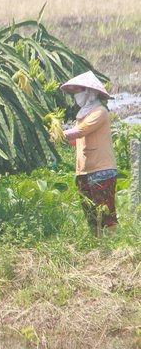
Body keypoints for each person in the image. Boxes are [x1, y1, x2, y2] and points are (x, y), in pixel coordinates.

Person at [60, 71, 118, 237]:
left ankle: (112, 247)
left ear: (89, 92)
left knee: (105, 213)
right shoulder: (82, 116)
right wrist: (57, 137)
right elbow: (75, 139)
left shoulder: (99, 112)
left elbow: (81, 132)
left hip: (101, 170)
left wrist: (60, 134)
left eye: (78, 91)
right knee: (91, 215)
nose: (76, 95)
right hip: (84, 171)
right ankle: (97, 246)